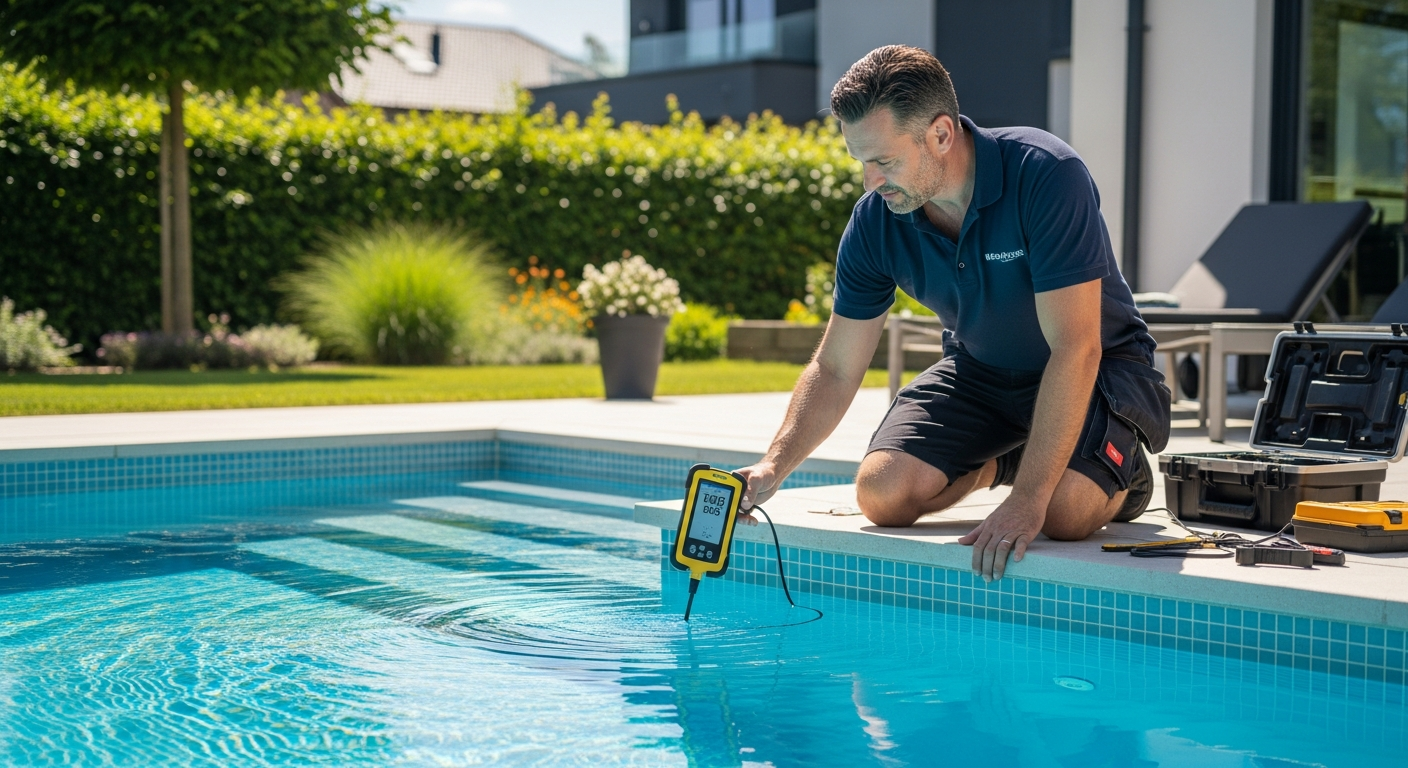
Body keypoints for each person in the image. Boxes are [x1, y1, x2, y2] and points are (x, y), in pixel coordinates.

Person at [735, 45, 1171, 583]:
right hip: (982, 373)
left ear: (941, 134)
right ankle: (1008, 460)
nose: (870, 180)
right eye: (861, 161)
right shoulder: (877, 222)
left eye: (885, 161)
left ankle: (1121, 474)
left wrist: (1029, 499)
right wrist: (772, 467)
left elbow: (1076, 347)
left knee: (1061, 513)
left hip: (1098, 370)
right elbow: (837, 367)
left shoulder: (1045, 176)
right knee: (882, 494)